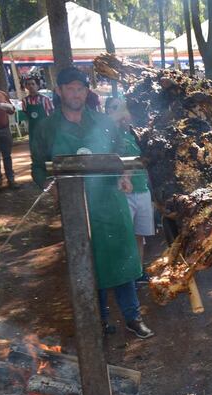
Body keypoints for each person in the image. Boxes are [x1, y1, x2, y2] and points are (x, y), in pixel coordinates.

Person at [31, 67, 154, 339]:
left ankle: (133, 317)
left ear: (86, 92)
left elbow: (120, 154)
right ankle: (99, 320)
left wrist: (124, 176)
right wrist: (50, 189)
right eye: (70, 88)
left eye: (80, 89)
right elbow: (38, 167)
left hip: (110, 200)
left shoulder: (103, 122)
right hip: (77, 206)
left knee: (122, 257)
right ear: (60, 91)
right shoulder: (46, 128)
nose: (76, 93)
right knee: (87, 262)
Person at [105, 96, 156, 282]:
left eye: (124, 109)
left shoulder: (138, 134)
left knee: (139, 235)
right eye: (115, 109)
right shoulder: (110, 136)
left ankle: (138, 271)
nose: (122, 114)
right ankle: (126, 274)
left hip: (142, 190)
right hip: (123, 194)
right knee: (125, 235)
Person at [22, 75, 54, 151]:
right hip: (33, 130)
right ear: (26, 87)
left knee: (48, 149)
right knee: (35, 150)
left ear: (37, 86)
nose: (31, 86)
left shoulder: (45, 99)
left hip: (45, 129)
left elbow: (52, 113)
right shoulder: (24, 101)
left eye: (33, 84)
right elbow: (26, 114)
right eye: (28, 84)